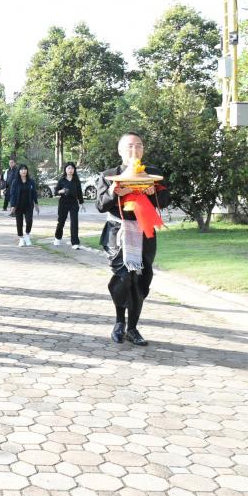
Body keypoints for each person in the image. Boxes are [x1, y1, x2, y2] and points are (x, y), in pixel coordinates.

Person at [95, 131, 170, 347]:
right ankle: (119, 322)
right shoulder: (109, 175)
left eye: (138, 145)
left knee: (141, 279)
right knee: (123, 276)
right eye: (129, 146)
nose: (134, 150)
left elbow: (165, 200)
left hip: (144, 231)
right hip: (117, 231)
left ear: (143, 149)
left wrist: (152, 192)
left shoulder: (152, 174)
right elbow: (100, 205)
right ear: (120, 151)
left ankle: (132, 328)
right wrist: (114, 192)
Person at [53, 161, 84, 249]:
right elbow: (55, 192)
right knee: (61, 221)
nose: (70, 170)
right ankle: (57, 237)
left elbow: (79, 192)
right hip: (63, 203)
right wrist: (61, 191)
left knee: (74, 222)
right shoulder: (62, 180)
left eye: (72, 168)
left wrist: (81, 203)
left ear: (74, 170)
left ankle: (75, 243)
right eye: (69, 168)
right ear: (65, 169)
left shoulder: (76, 180)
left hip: (73, 203)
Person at [8, 164, 39, 246]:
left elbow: (34, 193)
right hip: (18, 205)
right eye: (21, 169)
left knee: (29, 221)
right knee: (19, 223)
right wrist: (12, 205)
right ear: (19, 171)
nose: (23, 171)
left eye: (25, 169)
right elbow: (12, 194)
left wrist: (36, 203)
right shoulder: (15, 182)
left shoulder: (31, 181)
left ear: (27, 171)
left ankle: (27, 236)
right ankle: (21, 238)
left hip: (29, 205)